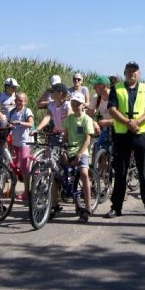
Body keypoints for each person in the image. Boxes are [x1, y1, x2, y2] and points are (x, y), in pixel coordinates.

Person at [104, 61, 145, 219]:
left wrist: (138, 122)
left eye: (135, 71)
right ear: (124, 72)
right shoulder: (116, 88)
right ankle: (116, 207)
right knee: (120, 173)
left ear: (139, 73)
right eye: (129, 70)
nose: (132, 73)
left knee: (144, 173)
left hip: (141, 134)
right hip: (122, 134)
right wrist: (127, 122)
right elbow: (112, 109)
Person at [62, 93, 95, 222]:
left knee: (84, 173)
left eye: (77, 104)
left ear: (83, 105)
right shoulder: (69, 119)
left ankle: (87, 207)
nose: (75, 106)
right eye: (73, 104)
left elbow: (87, 139)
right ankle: (53, 205)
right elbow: (65, 136)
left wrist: (80, 154)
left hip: (82, 151)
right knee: (55, 174)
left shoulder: (87, 119)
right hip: (69, 150)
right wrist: (63, 150)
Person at [8, 92, 35, 200]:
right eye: (17, 100)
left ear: (25, 101)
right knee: (14, 166)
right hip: (15, 141)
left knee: (24, 167)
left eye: (21, 100)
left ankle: (27, 192)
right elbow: (10, 124)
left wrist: (19, 123)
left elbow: (31, 124)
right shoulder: (12, 112)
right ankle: (12, 190)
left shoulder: (27, 111)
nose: (18, 102)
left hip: (25, 142)